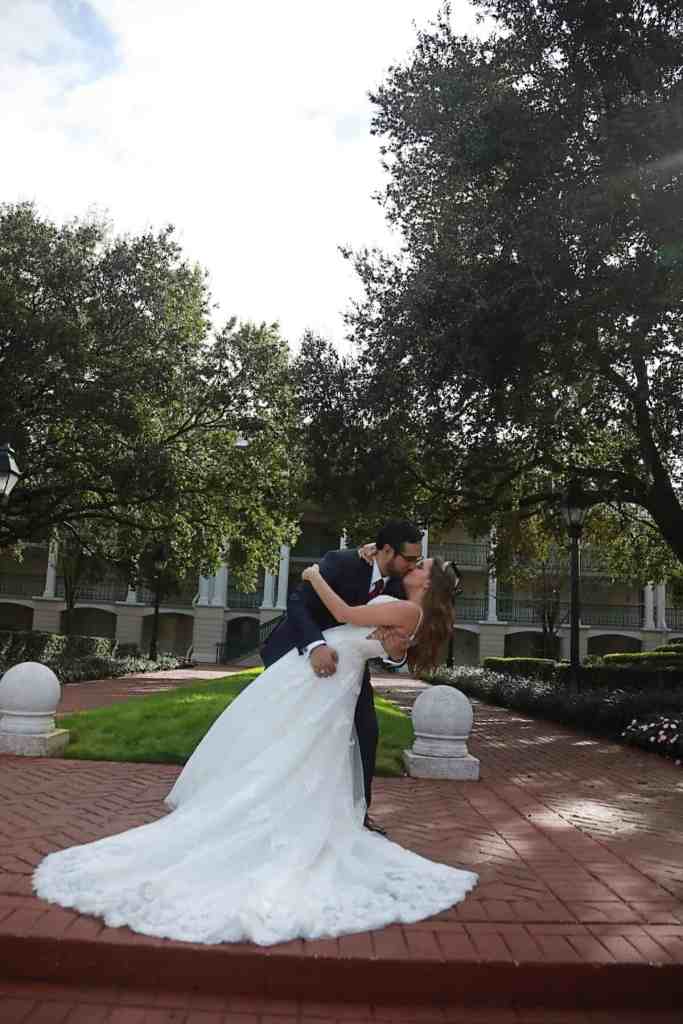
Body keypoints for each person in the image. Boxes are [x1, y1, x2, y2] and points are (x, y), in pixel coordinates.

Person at [33, 555, 477, 947]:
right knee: (299, 749)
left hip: (324, 675)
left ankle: (260, 815)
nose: (413, 567)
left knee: (283, 742)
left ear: (428, 584)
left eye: (421, 567)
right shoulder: (407, 606)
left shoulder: (404, 608)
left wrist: (312, 575)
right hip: (331, 678)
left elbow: (341, 611)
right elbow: (385, 632)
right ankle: (279, 813)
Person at [261, 519, 423, 831]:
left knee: (366, 732)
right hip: (300, 657)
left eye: (417, 560)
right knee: (291, 734)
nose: (412, 566)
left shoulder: (400, 586)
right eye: (409, 558)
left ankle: (355, 816)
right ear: (386, 550)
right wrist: (316, 645)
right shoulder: (342, 562)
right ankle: (277, 808)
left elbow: (388, 644)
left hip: (349, 670)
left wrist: (395, 653)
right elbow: (298, 604)